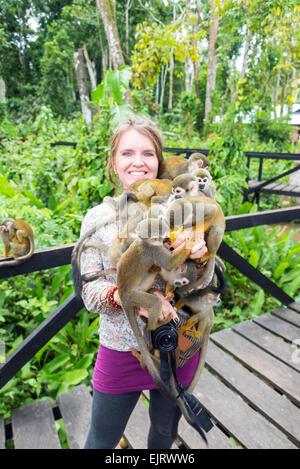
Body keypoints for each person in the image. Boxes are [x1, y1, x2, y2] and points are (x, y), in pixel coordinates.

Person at [81, 116, 208, 449]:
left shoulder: (181, 211)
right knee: (100, 441)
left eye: (148, 153)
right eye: (127, 153)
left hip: (176, 346)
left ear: (159, 161)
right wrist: (127, 297)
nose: (138, 162)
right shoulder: (99, 218)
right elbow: (89, 294)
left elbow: (204, 289)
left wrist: (200, 259)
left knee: (164, 436)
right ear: (113, 162)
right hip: (123, 349)